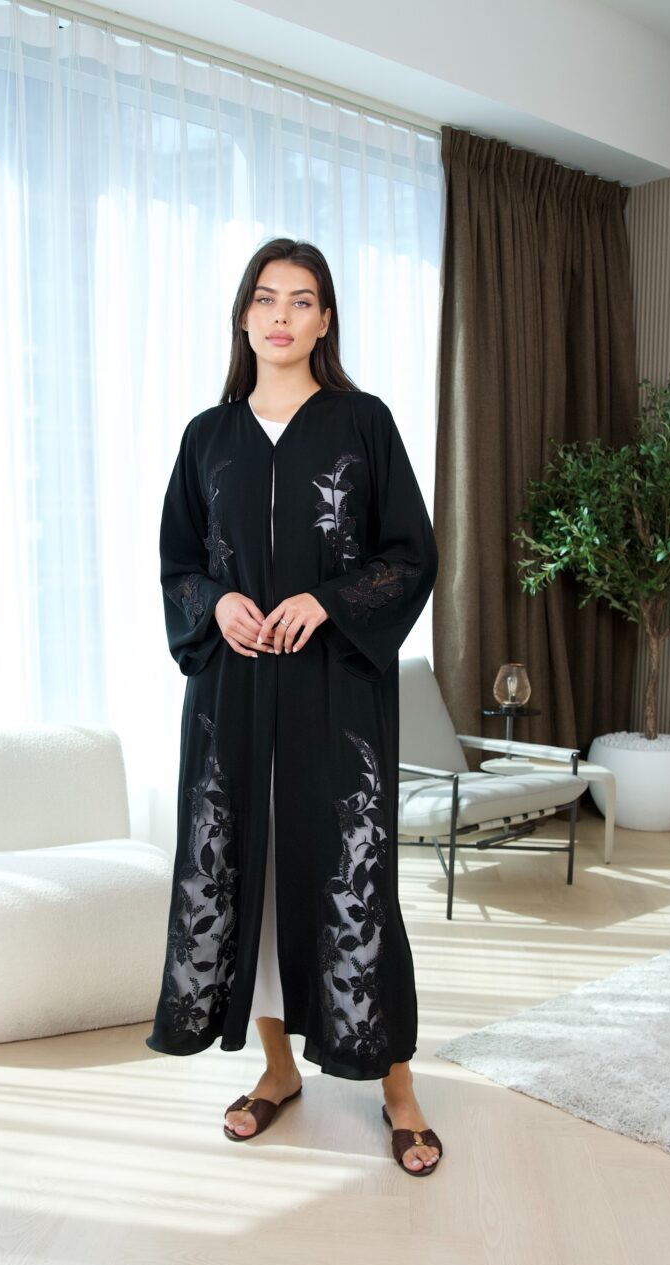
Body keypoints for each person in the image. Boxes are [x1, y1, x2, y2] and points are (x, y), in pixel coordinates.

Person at [145, 238, 443, 1175]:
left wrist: (329, 600)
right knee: (251, 878)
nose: (281, 315)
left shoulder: (362, 422)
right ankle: (277, 1070)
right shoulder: (208, 436)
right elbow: (178, 563)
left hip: (335, 694)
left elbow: (412, 552)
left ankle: (398, 1088)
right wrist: (215, 603)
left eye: (301, 300)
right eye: (266, 299)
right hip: (233, 697)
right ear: (244, 317)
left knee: (355, 878)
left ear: (324, 320)